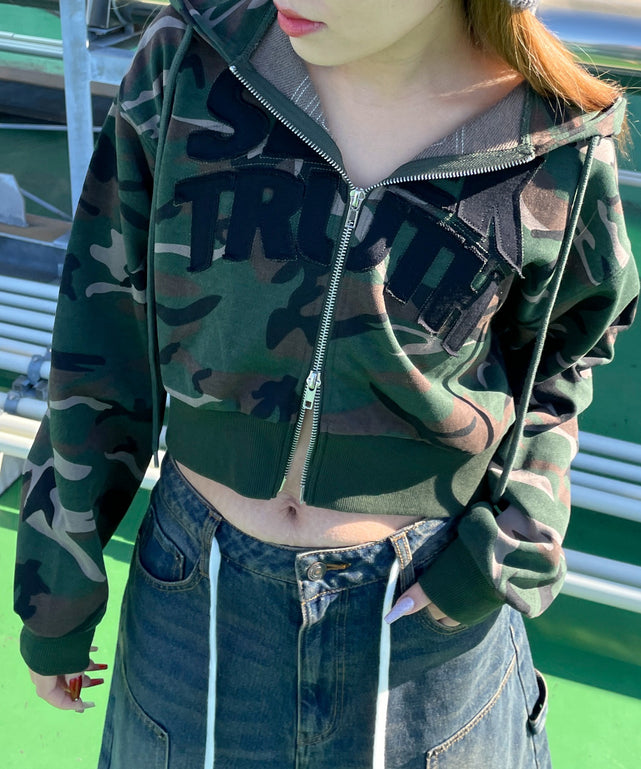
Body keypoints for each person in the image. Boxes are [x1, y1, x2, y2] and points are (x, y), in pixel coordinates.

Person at [14, 0, 639, 767]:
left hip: (428, 629)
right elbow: (101, 331)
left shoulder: (558, 140)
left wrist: (506, 548)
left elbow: (562, 362)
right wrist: (56, 584)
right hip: (190, 604)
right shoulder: (191, 56)